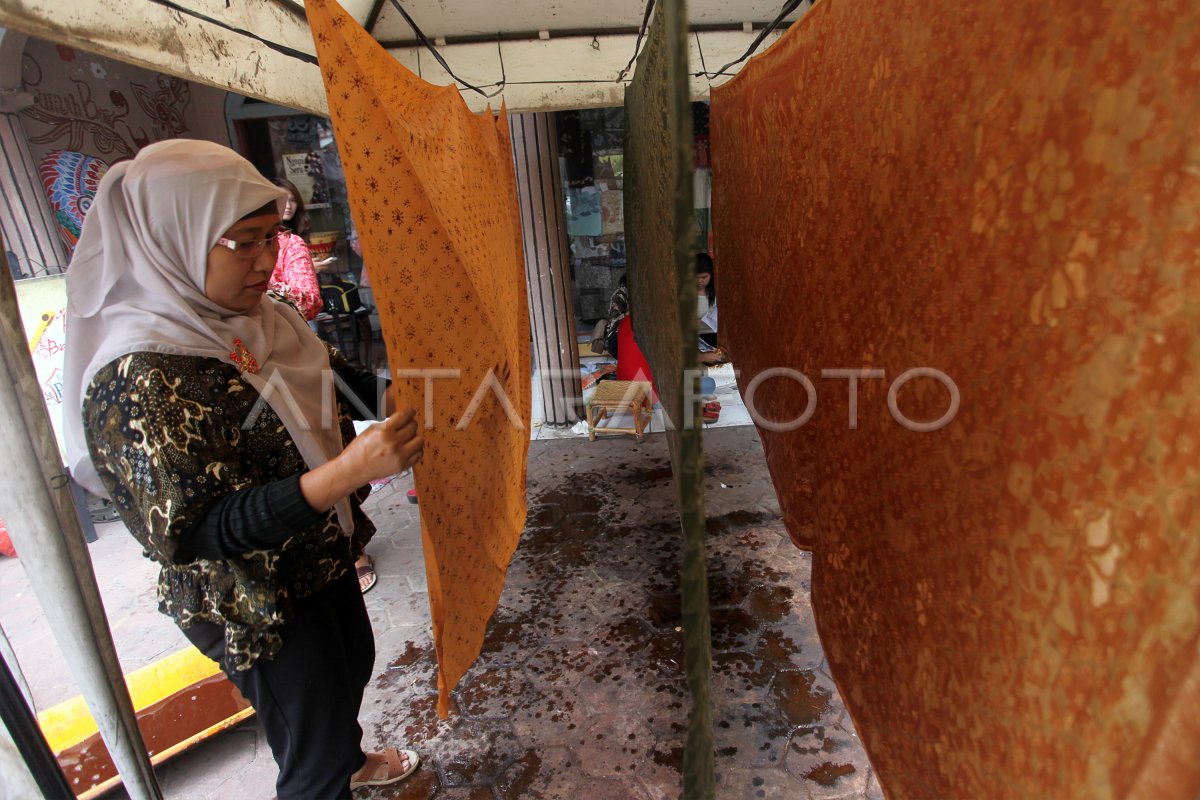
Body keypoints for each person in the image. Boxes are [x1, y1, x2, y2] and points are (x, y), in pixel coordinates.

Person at [63, 140, 423, 798]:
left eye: (271, 237)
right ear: (176, 235)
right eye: (245, 243)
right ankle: (331, 772)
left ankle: (349, 761)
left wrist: (401, 398)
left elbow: (339, 387)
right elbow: (191, 527)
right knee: (307, 750)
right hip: (251, 598)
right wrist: (345, 473)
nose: (268, 261)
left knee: (348, 668)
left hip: (316, 553)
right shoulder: (138, 372)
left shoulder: (266, 319)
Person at [269, 177, 324, 322]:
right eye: (281, 199)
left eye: (292, 200)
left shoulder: (291, 241)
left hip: (289, 322)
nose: (287, 205)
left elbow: (309, 302)